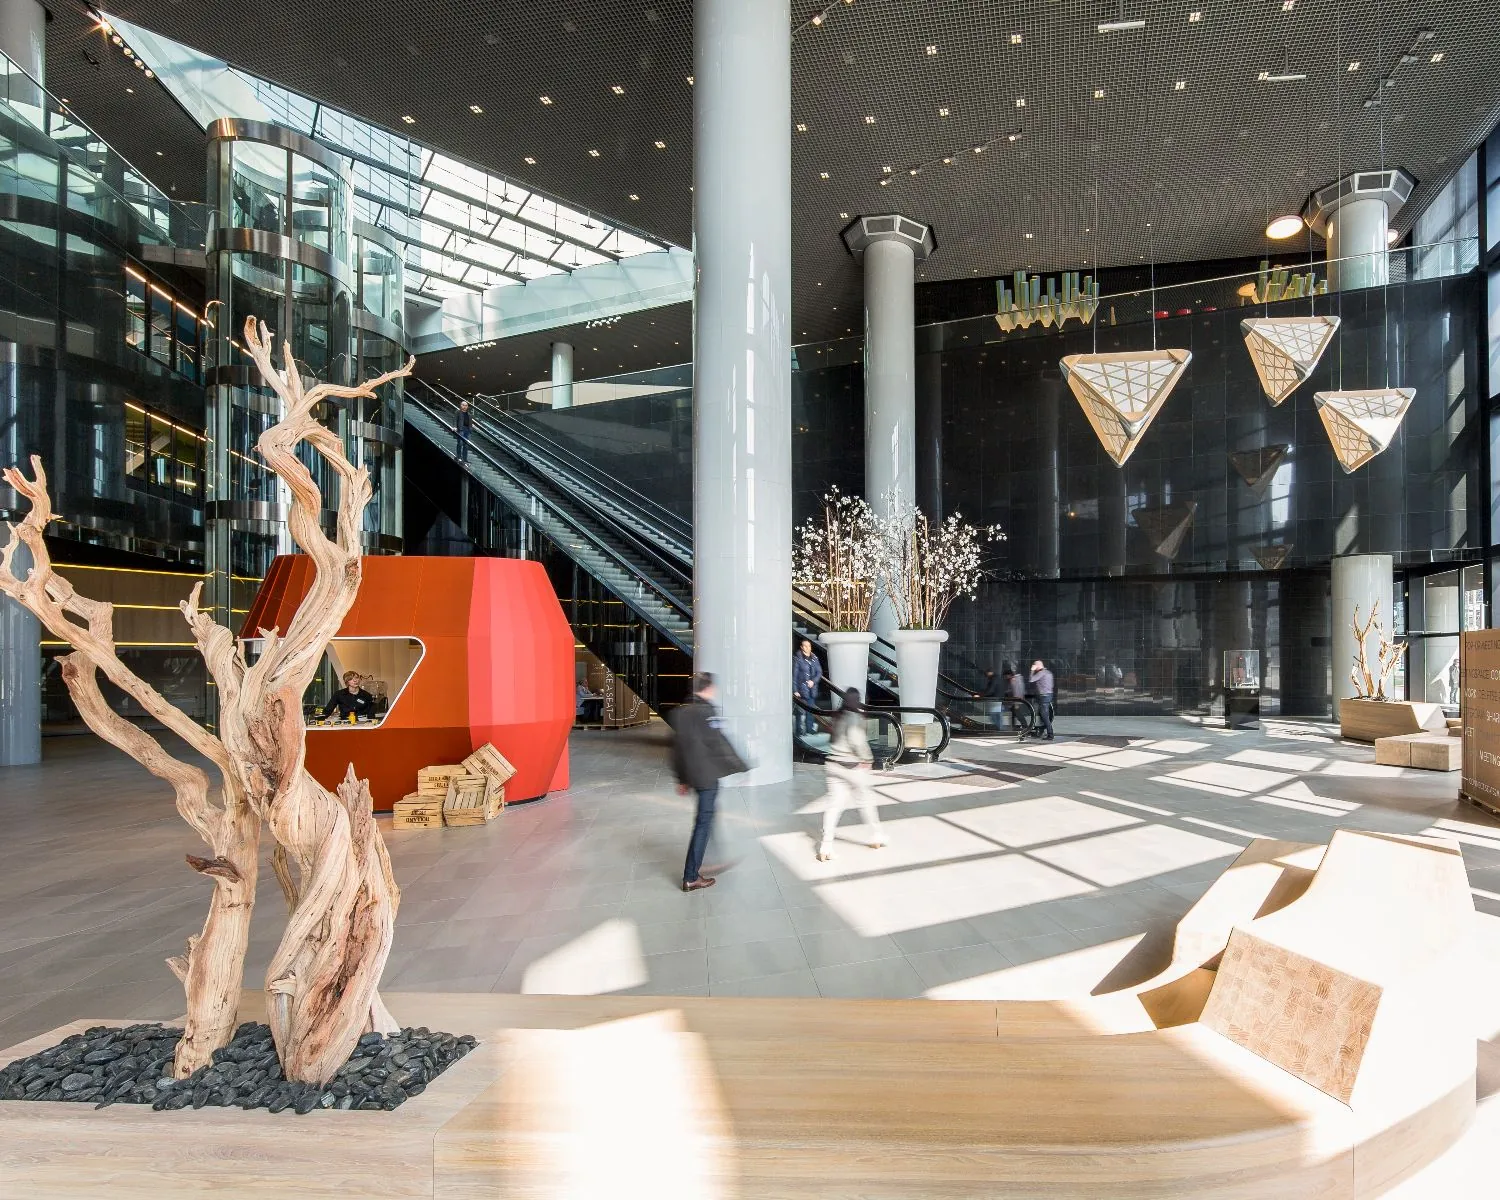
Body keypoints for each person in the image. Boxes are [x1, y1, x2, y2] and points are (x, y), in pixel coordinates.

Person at [669, 672, 749, 892]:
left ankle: (709, 860)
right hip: (707, 777)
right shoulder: (708, 711)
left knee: (708, 816)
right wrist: (741, 766)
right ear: (708, 688)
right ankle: (691, 876)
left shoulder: (680, 714)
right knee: (703, 823)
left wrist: (682, 779)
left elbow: (676, 750)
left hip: (694, 776)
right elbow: (719, 742)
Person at [817, 688, 887, 862]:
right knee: (866, 802)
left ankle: (826, 847)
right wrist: (867, 759)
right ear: (857, 700)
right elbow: (857, 741)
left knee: (833, 807)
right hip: (851, 767)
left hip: (833, 764)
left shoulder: (838, 716)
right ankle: (876, 836)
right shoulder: (854, 718)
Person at [792, 638, 824, 735]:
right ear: (802, 647)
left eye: (809, 646)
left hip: (811, 689)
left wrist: (813, 681)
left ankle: (809, 729)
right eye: (805, 646)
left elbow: (819, 672)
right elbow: (794, 675)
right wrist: (795, 690)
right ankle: (799, 730)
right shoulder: (797, 659)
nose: (807, 647)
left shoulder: (814, 658)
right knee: (800, 711)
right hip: (801, 690)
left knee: (810, 710)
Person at [1029, 659, 1055, 740]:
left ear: (1038, 666)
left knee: (1044, 715)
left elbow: (1031, 679)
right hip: (1049, 695)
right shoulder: (1048, 673)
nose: (1034, 667)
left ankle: (1050, 734)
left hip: (1043, 696)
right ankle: (1041, 731)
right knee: (1042, 714)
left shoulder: (1041, 673)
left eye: (1035, 665)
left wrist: (1032, 670)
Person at [1006, 661, 1027, 731]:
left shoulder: (1014, 680)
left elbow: (1016, 691)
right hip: (1017, 700)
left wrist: (1016, 702)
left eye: (1007, 675)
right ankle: (1014, 727)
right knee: (1014, 714)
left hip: (1016, 700)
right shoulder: (1019, 678)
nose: (1006, 677)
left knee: (1018, 714)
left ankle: (1025, 726)